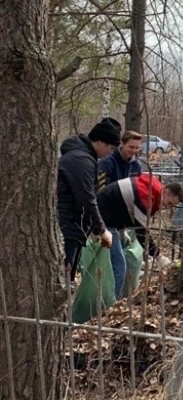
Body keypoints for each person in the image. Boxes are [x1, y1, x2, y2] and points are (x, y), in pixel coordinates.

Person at [97, 174, 183, 298]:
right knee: (119, 264)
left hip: (109, 215)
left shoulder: (153, 190)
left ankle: (112, 295)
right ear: (166, 191)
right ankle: (112, 302)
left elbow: (125, 208)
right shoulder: (146, 196)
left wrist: (121, 230)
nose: (167, 207)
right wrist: (158, 256)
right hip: (102, 219)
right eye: (169, 203)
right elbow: (141, 232)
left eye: (171, 206)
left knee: (118, 258)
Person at [58, 117, 120, 279]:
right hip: (68, 225)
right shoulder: (81, 161)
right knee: (64, 276)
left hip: (74, 226)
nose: (111, 152)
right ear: (100, 142)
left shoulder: (84, 158)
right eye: (111, 147)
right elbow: (86, 198)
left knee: (67, 275)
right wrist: (101, 229)